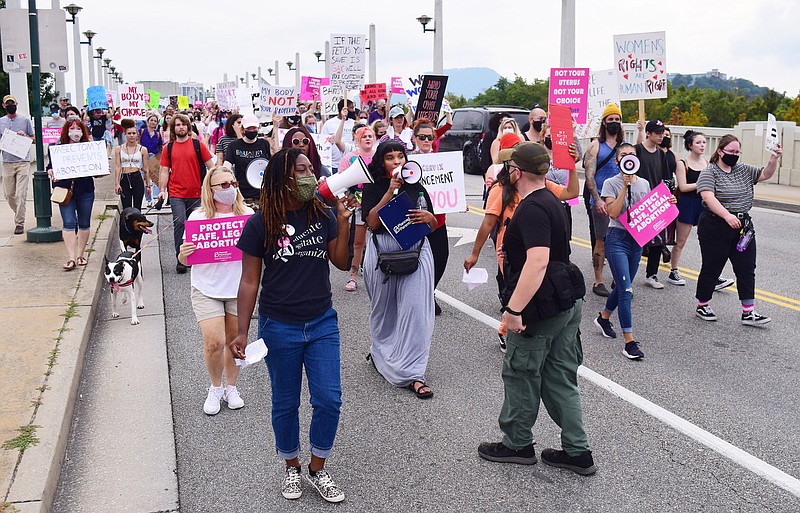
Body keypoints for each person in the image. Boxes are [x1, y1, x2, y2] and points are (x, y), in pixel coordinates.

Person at [232, 148, 352, 503]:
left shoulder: (323, 213)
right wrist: (242, 331)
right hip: (278, 325)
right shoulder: (259, 223)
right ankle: (292, 468)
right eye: (300, 170)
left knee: (329, 400)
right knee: (285, 403)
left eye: (310, 169)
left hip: (322, 323)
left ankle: (317, 468)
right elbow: (250, 281)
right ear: (283, 177)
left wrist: (344, 222)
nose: (309, 175)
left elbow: (342, 262)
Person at [477, 142, 595, 476]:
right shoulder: (551, 200)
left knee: (521, 374)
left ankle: (517, 443)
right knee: (560, 377)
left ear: (517, 171)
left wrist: (514, 310)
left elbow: (538, 261)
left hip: (540, 306)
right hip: (565, 300)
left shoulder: (530, 208)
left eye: (509, 166)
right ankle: (577, 451)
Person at [466, 134, 577, 352]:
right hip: (509, 251)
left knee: (534, 290)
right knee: (516, 290)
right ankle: (507, 331)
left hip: (536, 246)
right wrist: (474, 253)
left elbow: (570, 193)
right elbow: (488, 223)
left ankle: (523, 330)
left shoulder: (540, 186)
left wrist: (571, 167)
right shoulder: (500, 189)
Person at [361, 141, 438, 399]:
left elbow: (434, 222)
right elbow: (371, 222)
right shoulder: (373, 187)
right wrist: (390, 193)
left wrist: (430, 219)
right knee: (385, 312)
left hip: (415, 251)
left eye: (400, 156)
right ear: (381, 163)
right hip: (383, 253)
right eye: (390, 158)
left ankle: (413, 373)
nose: (397, 161)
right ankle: (382, 353)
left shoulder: (418, 186)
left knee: (416, 312)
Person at [178, 167, 253, 415]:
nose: (229, 188)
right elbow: (186, 261)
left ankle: (231, 387)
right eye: (223, 185)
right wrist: (183, 253)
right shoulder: (198, 218)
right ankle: (215, 387)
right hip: (206, 287)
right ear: (210, 190)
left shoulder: (249, 216)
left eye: (232, 182)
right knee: (213, 342)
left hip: (239, 288)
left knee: (234, 342)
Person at [594, 144, 676, 359]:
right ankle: (629, 342)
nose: (628, 158)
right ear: (616, 161)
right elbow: (612, 213)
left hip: (636, 241)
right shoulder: (610, 183)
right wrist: (624, 186)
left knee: (624, 286)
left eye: (631, 155)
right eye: (624, 156)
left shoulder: (645, 183)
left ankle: (603, 318)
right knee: (627, 291)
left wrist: (666, 202)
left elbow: (648, 210)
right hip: (617, 239)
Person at [694, 135, 782, 325]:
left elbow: (765, 174)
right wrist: (727, 215)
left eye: (737, 152)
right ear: (720, 151)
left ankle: (748, 311)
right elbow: (709, 198)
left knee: (746, 268)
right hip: (716, 224)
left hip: (743, 227)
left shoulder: (743, 170)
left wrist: (774, 158)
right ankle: (703, 304)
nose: (734, 155)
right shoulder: (710, 172)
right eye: (730, 152)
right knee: (712, 265)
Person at [671, 131, 735, 290]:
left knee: (709, 242)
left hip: (704, 203)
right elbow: (683, 187)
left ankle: (713, 275)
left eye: (704, 142)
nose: (702, 145)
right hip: (687, 203)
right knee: (681, 241)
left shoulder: (707, 164)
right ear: (690, 145)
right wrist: (702, 183)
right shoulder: (682, 163)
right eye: (698, 142)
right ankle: (674, 270)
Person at [157, 114, 215, 274]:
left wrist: (217, 184)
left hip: (197, 193)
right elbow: (163, 171)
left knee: (195, 227)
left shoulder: (198, 145)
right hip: (176, 194)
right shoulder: (168, 148)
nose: (180, 127)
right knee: (180, 223)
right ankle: (181, 258)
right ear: (173, 129)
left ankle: (195, 256)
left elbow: (211, 166)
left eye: (183, 124)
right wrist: (162, 190)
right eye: (177, 125)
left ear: (188, 127)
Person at [46, 119, 101, 270]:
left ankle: (80, 254)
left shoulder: (89, 148)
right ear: (66, 131)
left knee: (84, 223)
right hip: (64, 191)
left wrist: (101, 170)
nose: (75, 131)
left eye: (78, 128)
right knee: (69, 223)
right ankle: (71, 258)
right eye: (72, 128)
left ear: (83, 131)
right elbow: (50, 167)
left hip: (85, 190)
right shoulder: (57, 148)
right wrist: (51, 172)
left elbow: (97, 171)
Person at [582, 103, 625, 297]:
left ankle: (619, 276)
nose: (614, 123)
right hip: (601, 200)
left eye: (617, 119)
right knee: (601, 241)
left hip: (621, 202)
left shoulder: (624, 147)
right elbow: (589, 176)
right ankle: (598, 281)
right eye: (611, 119)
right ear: (604, 122)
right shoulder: (595, 146)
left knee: (620, 241)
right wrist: (597, 200)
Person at [410, 119, 450, 314]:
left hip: (438, 220)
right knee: (416, 260)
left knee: (441, 257)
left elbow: (450, 185)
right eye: (422, 137)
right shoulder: (408, 160)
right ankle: (419, 297)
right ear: (414, 138)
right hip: (417, 218)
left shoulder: (441, 160)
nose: (426, 140)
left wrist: (457, 201)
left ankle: (429, 292)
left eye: (430, 137)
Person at [336, 125, 376, 292]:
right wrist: (347, 200)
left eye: (370, 136)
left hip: (377, 205)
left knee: (379, 240)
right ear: (357, 139)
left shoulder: (379, 157)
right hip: (359, 206)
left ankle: (377, 273)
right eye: (364, 136)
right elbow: (341, 181)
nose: (367, 139)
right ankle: (353, 276)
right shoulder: (350, 158)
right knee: (358, 242)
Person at [635, 119, 674, 290]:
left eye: (663, 133)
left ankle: (652, 274)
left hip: (656, 202)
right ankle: (623, 275)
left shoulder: (661, 154)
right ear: (648, 133)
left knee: (658, 241)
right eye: (657, 133)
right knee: (634, 242)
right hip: (638, 201)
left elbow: (666, 178)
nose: (661, 136)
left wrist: (669, 196)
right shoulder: (637, 151)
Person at [0, 95, 35, 234]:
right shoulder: (1, 122)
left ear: (16, 104)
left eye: (12, 103)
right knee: (9, 194)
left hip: (22, 161)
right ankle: (18, 211)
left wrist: (25, 137)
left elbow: (34, 139)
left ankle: (19, 223)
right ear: (4, 106)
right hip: (7, 161)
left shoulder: (25, 121)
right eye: (7, 104)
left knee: (21, 193)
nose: (10, 106)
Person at [224, 114, 270, 207]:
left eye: (254, 128)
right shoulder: (234, 146)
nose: (252, 130)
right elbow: (226, 165)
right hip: (243, 195)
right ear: (243, 129)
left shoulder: (264, 144)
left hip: (263, 194)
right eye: (249, 128)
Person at [114, 119, 150, 210]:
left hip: (137, 177)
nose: (131, 136)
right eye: (129, 133)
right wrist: (117, 183)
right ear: (125, 134)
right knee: (127, 208)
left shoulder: (143, 149)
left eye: (134, 133)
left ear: (137, 134)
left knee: (137, 207)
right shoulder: (119, 149)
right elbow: (118, 167)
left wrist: (148, 185)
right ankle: (127, 224)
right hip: (124, 177)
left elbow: (145, 169)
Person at [320, 99, 355, 174]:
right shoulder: (329, 124)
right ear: (343, 109)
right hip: (334, 165)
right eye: (351, 108)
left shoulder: (354, 123)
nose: (353, 110)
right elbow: (323, 143)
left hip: (350, 164)